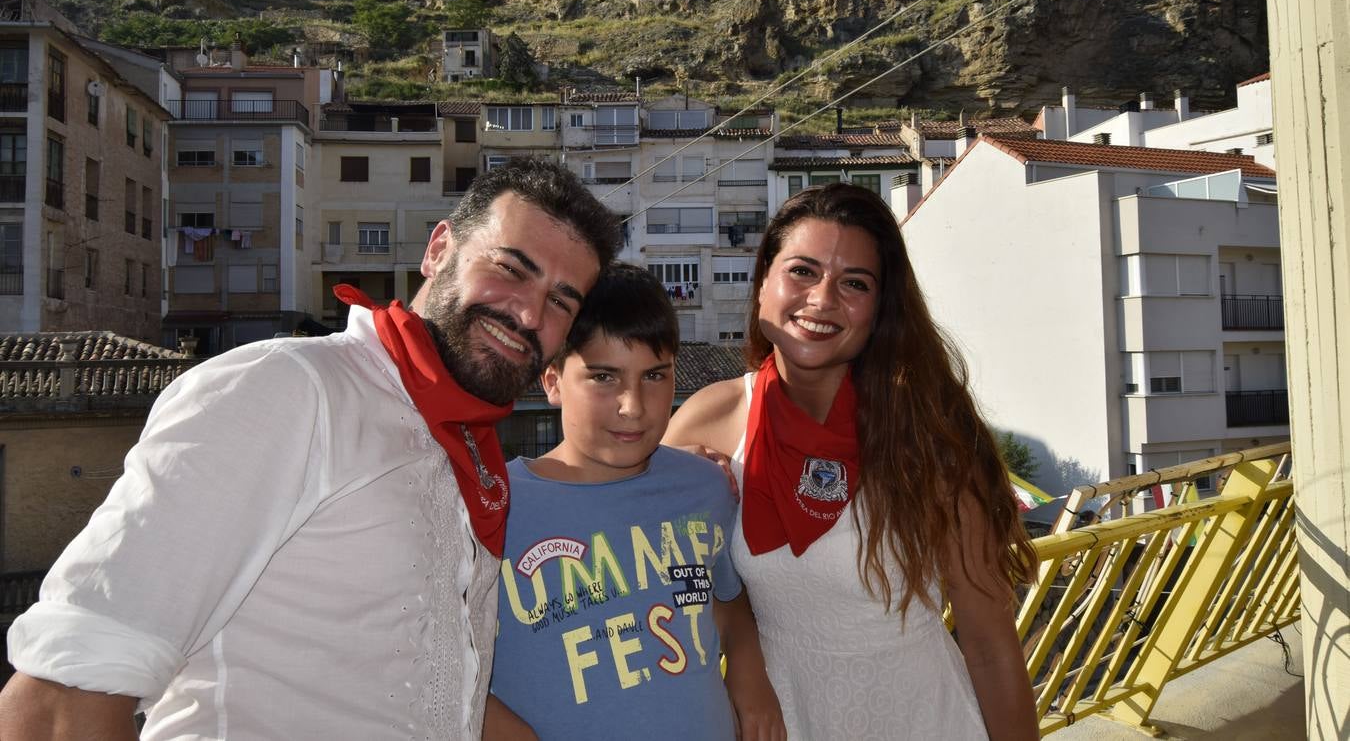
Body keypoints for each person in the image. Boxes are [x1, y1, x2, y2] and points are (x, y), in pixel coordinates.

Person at [0, 159, 621, 741]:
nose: (529, 314)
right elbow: (63, 696)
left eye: (562, 301)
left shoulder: (472, 455)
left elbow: (423, 689)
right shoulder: (288, 389)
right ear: (438, 251)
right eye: (511, 270)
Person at [664, 183, 1039, 741]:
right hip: (784, 719)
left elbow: (988, 644)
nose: (821, 299)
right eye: (802, 271)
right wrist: (673, 493)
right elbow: (672, 585)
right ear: (763, 280)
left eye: (854, 283)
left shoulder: (927, 435)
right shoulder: (706, 422)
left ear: (880, 308)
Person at [485, 264, 783, 741]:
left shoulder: (706, 488)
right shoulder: (494, 509)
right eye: (604, 376)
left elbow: (727, 602)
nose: (633, 405)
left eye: (654, 376)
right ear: (553, 381)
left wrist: (749, 679)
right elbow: (450, 665)